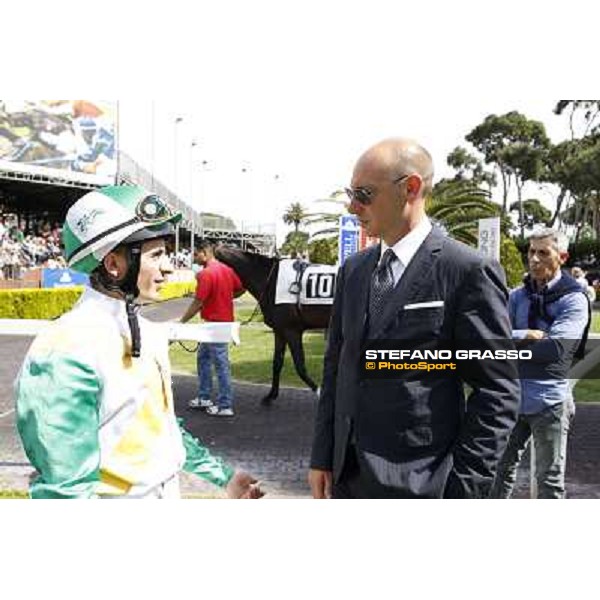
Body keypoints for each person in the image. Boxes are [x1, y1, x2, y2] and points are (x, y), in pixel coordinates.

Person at [15, 185, 262, 499]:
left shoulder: (146, 327)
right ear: (114, 264)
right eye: (157, 255)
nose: (169, 266)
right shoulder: (64, 348)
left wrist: (224, 477)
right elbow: (63, 489)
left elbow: (159, 425)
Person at [308, 137, 520, 499]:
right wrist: (323, 455)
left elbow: (497, 392)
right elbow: (336, 368)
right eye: (350, 192)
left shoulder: (467, 271)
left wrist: (463, 490)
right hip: (347, 479)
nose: (352, 205)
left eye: (364, 193)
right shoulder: (354, 271)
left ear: (411, 188)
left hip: (423, 483)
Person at [490, 229, 590, 499]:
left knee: (549, 481)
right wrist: (526, 335)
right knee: (498, 472)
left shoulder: (574, 299)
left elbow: (555, 350)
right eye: (531, 252)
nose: (534, 259)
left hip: (550, 401)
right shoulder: (517, 296)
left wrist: (513, 342)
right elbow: (493, 339)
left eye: (543, 253)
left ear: (563, 257)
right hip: (512, 397)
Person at [181, 240, 244, 416]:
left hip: (214, 325)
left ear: (204, 253)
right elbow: (240, 288)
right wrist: (225, 297)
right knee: (204, 359)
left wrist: (182, 321)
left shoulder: (205, 274)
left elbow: (197, 302)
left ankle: (225, 405)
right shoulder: (227, 270)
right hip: (221, 323)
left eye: (196, 254)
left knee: (220, 365)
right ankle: (204, 397)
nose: (194, 258)